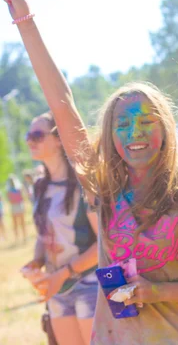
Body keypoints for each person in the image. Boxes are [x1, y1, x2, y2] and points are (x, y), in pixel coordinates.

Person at [2, 0, 178, 345]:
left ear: (166, 129)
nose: (134, 133)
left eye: (145, 121)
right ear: (110, 134)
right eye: (122, 124)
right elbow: (63, 104)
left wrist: (158, 292)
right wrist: (27, 23)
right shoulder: (104, 189)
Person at [21, 112, 99, 345]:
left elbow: (103, 244)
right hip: (57, 289)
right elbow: (44, 233)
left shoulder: (83, 183)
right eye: (28, 135)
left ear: (58, 139)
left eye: (37, 135)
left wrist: (62, 274)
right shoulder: (39, 185)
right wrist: (36, 263)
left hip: (89, 284)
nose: (29, 141)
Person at [6, 174, 26, 243]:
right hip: (18, 206)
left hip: (16, 206)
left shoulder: (10, 190)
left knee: (18, 223)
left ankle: (22, 236)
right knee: (19, 223)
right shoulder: (18, 189)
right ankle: (21, 236)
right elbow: (22, 198)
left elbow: (10, 200)